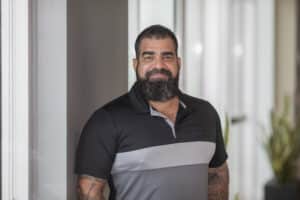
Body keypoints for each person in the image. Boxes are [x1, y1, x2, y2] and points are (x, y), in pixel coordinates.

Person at [75, 24, 229, 200]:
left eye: (167, 57)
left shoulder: (205, 113)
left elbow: (217, 175)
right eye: (148, 57)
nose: (158, 65)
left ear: (178, 63)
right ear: (136, 64)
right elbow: (87, 190)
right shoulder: (106, 120)